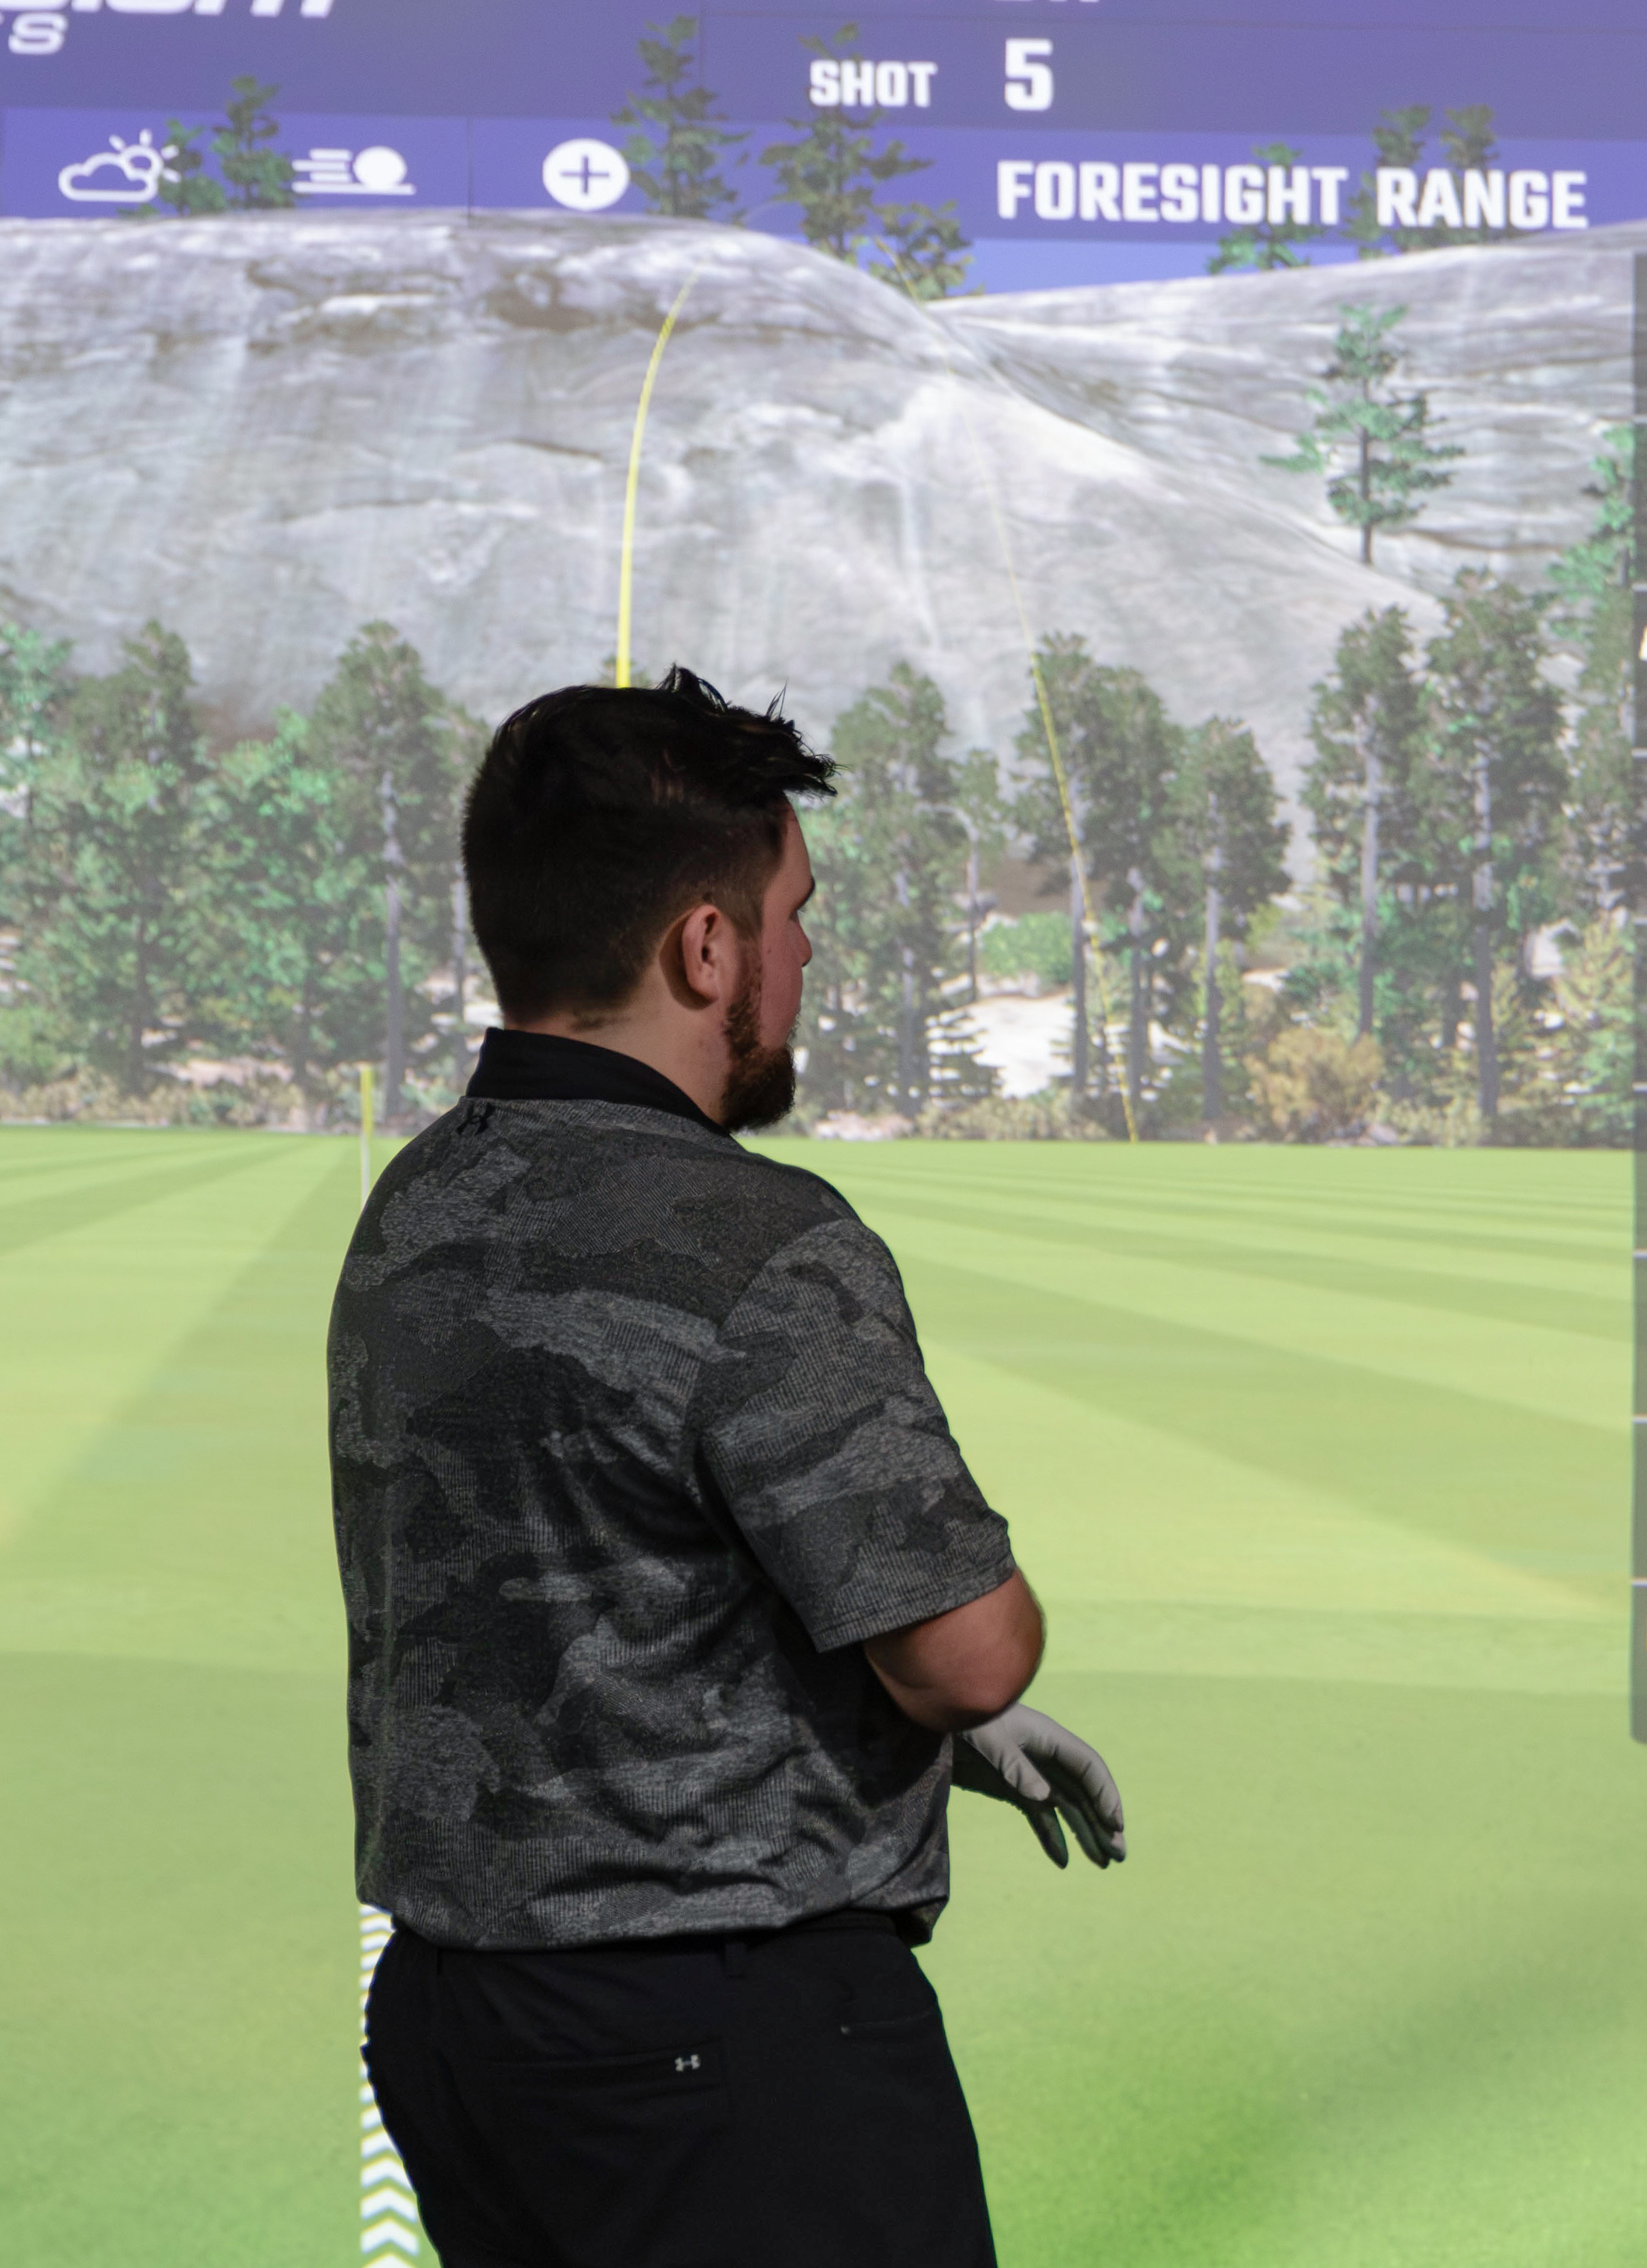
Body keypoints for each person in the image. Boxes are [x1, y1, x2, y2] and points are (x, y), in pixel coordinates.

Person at [333, 668, 1125, 2268]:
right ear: (707, 946)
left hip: (465, 2026)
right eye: (793, 913)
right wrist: (940, 1706)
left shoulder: (414, 1206)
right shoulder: (758, 1236)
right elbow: (972, 1647)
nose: (807, 955)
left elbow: (571, 1605)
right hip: (724, 2054)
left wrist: (854, 1729)